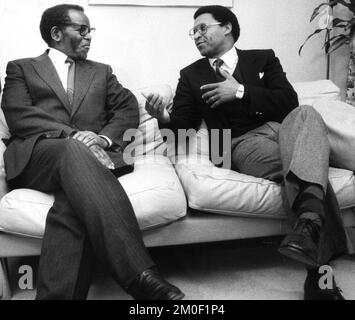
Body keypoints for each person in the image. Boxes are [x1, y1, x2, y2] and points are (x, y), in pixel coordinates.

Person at [146, 5, 350, 300]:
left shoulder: (262, 58)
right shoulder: (191, 75)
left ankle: (309, 222)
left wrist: (240, 91)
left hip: (287, 131)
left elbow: (288, 102)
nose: (196, 36)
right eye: (194, 31)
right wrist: (163, 118)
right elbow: (180, 128)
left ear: (227, 27)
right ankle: (319, 278)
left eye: (203, 28)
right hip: (242, 143)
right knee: (309, 173)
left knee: (305, 113)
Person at [1, 4, 184, 300]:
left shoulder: (101, 72)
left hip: (90, 164)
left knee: (71, 206)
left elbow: (126, 107)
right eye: (82, 30)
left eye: (90, 30)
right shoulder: (21, 67)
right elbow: (19, 114)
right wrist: (73, 135)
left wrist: (102, 140)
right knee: (72, 151)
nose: (89, 37)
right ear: (56, 33)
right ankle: (140, 275)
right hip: (39, 158)